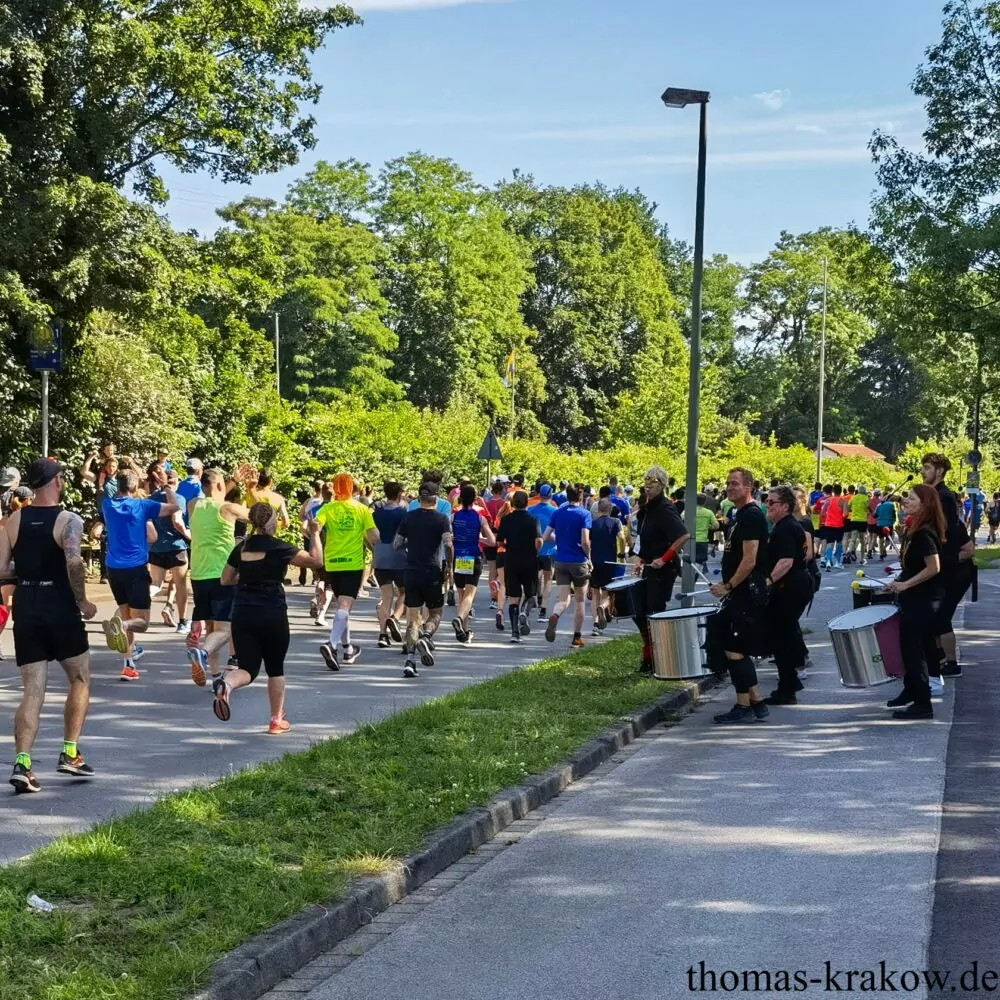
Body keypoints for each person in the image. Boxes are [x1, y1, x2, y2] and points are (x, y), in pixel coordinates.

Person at [1, 459, 98, 793]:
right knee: (80, 677)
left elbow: (3, 571)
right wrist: (83, 602)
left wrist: (26, 577)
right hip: (60, 607)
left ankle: (23, 763)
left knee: (33, 690)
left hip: (27, 607)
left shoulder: (13, 520)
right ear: (57, 481)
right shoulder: (68, 520)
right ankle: (70, 753)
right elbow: (73, 561)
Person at [213, 503, 325, 732]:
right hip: (272, 612)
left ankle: (226, 684)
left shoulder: (242, 547)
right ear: (272, 522)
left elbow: (225, 579)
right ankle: (276, 720)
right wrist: (314, 534)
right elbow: (316, 561)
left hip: (243, 613)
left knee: (247, 669)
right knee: (275, 668)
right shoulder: (279, 547)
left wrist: (247, 581)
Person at [102, 469, 180, 681]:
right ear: (136, 487)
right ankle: (123, 625)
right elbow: (175, 507)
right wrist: (167, 487)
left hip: (113, 568)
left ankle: (128, 665)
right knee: (141, 622)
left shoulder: (107, 505)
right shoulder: (143, 506)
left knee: (125, 613)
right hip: (135, 568)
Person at [709, 468, 770, 724]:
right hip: (738, 591)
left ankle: (746, 705)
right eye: (727, 483)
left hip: (745, 593)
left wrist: (729, 586)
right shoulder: (739, 514)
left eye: (735, 483)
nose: (729, 487)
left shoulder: (753, 516)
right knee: (733, 648)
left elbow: (750, 559)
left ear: (749, 486)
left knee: (735, 649)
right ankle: (754, 701)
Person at [884, 485, 946, 720]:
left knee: (913, 650)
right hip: (917, 597)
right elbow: (914, 565)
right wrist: (898, 581)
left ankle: (923, 703)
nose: (905, 500)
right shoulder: (914, 529)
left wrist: (905, 585)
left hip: (922, 600)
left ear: (925, 504)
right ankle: (911, 691)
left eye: (911, 497)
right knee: (909, 647)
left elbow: (934, 567)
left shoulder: (924, 533)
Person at [187, 469, 249, 687]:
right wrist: (250, 488)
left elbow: (214, 493)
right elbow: (259, 515)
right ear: (221, 487)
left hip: (198, 575)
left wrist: (232, 481)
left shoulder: (193, 505)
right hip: (222, 575)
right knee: (224, 630)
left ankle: (215, 677)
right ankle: (202, 654)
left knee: (211, 629)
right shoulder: (229, 508)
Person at [920, 453, 976, 682]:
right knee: (936, 616)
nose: (923, 471)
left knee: (941, 617)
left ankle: (950, 663)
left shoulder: (943, 496)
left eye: (927, 467)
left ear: (940, 471)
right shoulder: (938, 495)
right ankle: (939, 659)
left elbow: (943, 530)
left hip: (954, 571)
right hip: (949, 567)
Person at [316, 473, 379, 672]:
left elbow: (314, 527)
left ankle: (347, 648)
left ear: (335, 488)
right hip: (352, 564)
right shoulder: (362, 509)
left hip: (332, 563)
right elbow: (375, 537)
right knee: (344, 605)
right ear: (353, 488)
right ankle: (331, 644)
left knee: (343, 609)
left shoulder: (327, 508)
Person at [631, 467, 690, 674]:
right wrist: (640, 558)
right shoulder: (647, 507)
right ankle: (649, 655)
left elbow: (683, 536)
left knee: (652, 612)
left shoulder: (665, 508)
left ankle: (656, 660)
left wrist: (663, 559)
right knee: (638, 611)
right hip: (648, 565)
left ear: (662, 485)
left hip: (662, 569)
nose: (648, 486)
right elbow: (644, 537)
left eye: (653, 483)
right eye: (646, 481)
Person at [761, 485, 814, 705]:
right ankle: (791, 680)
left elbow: (786, 561)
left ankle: (787, 687)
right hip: (797, 584)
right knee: (786, 633)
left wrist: (766, 582)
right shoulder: (788, 525)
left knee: (780, 636)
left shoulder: (785, 528)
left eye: (772, 502)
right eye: (767, 501)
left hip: (790, 587)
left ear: (784, 506)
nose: (767, 505)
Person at [394, 482, 454, 678]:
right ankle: (426, 636)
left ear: (419, 498)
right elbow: (448, 544)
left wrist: (412, 547)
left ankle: (410, 661)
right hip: (432, 571)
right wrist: (449, 567)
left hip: (411, 571)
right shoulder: (442, 518)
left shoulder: (408, 517)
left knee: (413, 618)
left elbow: (397, 544)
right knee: (435, 613)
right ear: (436, 499)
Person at [542, 485, 592, 648]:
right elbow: (585, 541)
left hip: (561, 560)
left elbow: (546, 536)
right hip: (578, 561)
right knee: (580, 601)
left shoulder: (558, 513)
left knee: (563, 599)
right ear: (581, 496)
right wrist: (589, 557)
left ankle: (555, 614)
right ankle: (576, 638)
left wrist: (560, 540)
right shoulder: (585, 514)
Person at [450, 484, 495, 644]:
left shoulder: (453, 517)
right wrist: (478, 539)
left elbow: (449, 538)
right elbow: (492, 541)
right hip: (473, 557)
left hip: (458, 558)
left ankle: (464, 631)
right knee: (469, 595)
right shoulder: (480, 518)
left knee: (461, 594)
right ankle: (460, 618)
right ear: (476, 499)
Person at [494, 490, 541, 644]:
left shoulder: (506, 520)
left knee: (513, 597)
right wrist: (536, 549)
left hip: (512, 560)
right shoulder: (533, 520)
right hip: (529, 560)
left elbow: (499, 541)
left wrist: (507, 545)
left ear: (513, 503)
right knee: (530, 593)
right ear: (527, 503)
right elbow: (539, 540)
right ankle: (524, 612)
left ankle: (514, 632)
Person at [372, 481, 409, 648]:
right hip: (399, 557)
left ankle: (382, 634)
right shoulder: (403, 513)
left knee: (386, 597)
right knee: (404, 592)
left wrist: (374, 549)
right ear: (400, 494)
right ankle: (395, 617)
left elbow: (370, 536)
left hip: (380, 557)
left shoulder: (376, 514)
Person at [588, 498, 622, 637]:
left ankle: (596, 624)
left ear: (598, 509)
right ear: (610, 509)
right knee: (608, 592)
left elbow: (588, 542)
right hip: (610, 562)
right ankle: (603, 607)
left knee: (595, 593)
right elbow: (621, 537)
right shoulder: (615, 522)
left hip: (595, 561)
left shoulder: (592, 523)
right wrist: (622, 551)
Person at [528, 484, 558, 618]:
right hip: (550, 550)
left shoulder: (530, 510)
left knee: (534, 577)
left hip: (533, 550)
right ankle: (543, 610)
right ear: (551, 495)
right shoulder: (555, 511)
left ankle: (530, 602)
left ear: (539, 495)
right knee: (548, 580)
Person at [297, 480, 325, 587]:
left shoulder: (308, 501)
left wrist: (306, 521)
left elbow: (300, 516)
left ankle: (303, 573)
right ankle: (316, 577)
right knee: (318, 553)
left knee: (307, 552)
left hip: (307, 531)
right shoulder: (324, 502)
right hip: (319, 531)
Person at [694, 493, 718, 574]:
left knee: (689, 560)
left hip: (689, 539)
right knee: (699, 561)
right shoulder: (709, 513)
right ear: (704, 502)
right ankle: (695, 576)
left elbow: (680, 520)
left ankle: (690, 577)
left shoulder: (688, 511)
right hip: (702, 540)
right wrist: (709, 526)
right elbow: (716, 525)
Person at [176, 458, 204, 523]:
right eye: (201, 468)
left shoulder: (180, 484)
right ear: (198, 471)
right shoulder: (199, 486)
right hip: (193, 523)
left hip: (181, 521)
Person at [875, 490, 897, 559]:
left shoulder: (879, 505)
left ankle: (882, 552)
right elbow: (894, 514)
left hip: (880, 523)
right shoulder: (892, 505)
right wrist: (894, 520)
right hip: (889, 523)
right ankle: (884, 548)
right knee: (889, 539)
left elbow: (875, 515)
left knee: (881, 539)